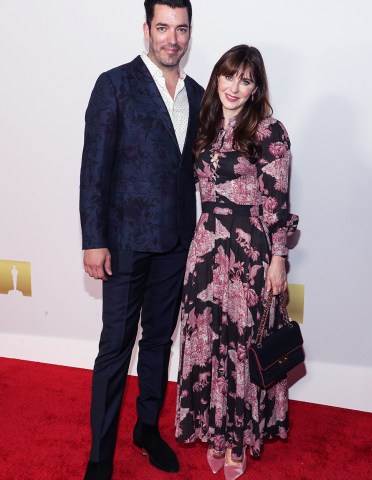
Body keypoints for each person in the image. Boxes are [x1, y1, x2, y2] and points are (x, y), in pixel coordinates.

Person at [79, 1, 204, 478]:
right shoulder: (114, 84)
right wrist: (94, 239)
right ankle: (99, 456)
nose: (173, 38)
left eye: (182, 29)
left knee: (158, 342)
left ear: (189, 33)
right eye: (164, 27)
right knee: (116, 346)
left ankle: (147, 428)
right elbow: (95, 169)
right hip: (125, 241)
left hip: (176, 239)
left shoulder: (196, 92)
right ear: (146, 29)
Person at [175, 45, 299, 480]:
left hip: (250, 254)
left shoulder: (269, 132)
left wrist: (279, 258)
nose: (234, 86)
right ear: (217, 78)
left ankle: (240, 441)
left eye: (245, 80)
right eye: (229, 76)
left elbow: (278, 201)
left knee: (244, 346)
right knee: (209, 343)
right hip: (206, 249)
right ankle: (216, 431)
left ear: (255, 87)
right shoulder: (202, 125)